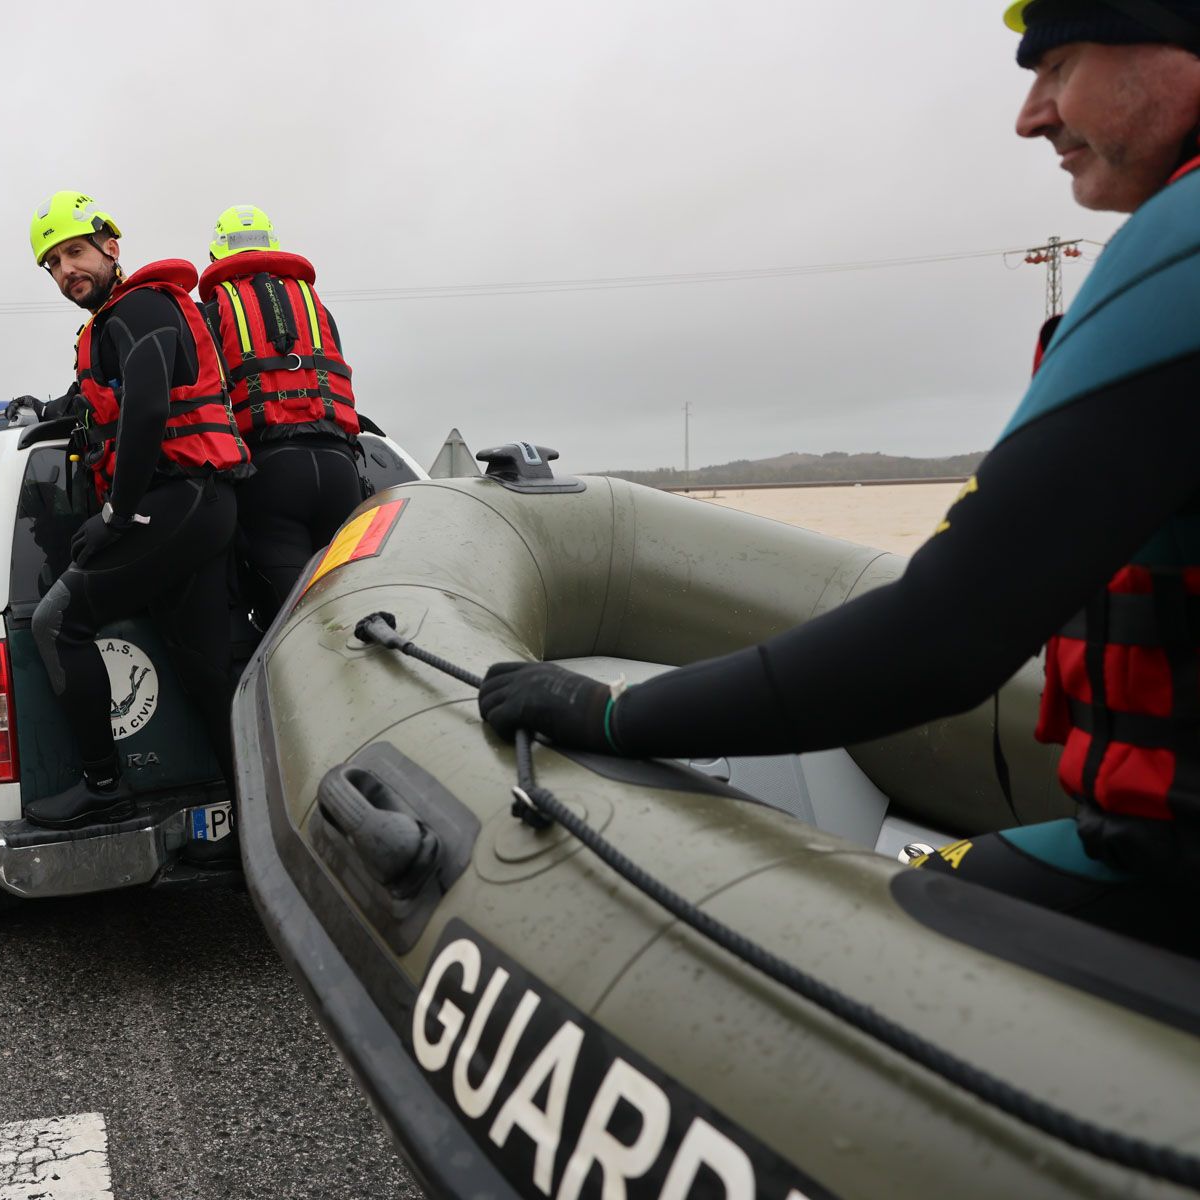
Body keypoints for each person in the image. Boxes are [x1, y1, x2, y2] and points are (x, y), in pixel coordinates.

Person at [479, 0, 1200, 955]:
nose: (1033, 114)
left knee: (846, 938)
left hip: (1166, 875)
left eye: (1060, 65)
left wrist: (611, 713)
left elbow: (947, 632)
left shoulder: (1182, 245)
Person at [24, 191, 251, 829]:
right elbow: (114, 409)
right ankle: (253, 808)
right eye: (54, 264)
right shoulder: (109, 325)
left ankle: (102, 785)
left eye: (75, 252)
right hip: (193, 508)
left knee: (56, 622)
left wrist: (117, 515)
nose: (68, 270)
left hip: (179, 501)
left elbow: (149, 409)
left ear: (110, 247)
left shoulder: (143, 306)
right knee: (203, 671)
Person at [197, 205, 364, 623]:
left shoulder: (212, 313)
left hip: (270, 477)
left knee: (296, 627)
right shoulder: (317, 309)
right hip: (340, 469)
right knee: (349, 616)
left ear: (217, 257)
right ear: (273, 247)